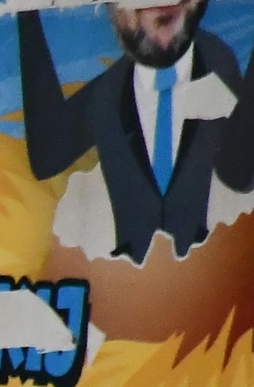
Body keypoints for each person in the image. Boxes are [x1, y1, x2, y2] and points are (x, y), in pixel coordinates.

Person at [19, 1, 254, 263]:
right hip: (130, 290)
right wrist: (26, 12)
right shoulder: (109, 93)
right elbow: (48, 153)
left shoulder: (218, 63)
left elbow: (239, 172)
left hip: (215, 286)